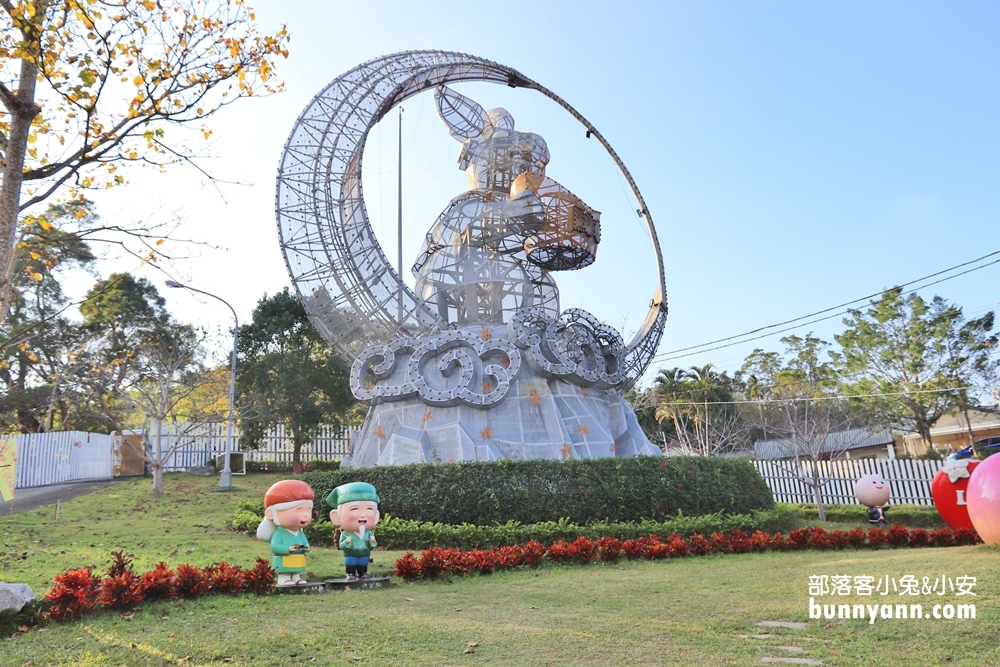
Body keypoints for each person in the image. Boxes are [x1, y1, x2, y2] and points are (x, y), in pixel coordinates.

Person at [256, 480, 314, 586]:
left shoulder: (300, 532)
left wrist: (306, 548)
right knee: (285, 569)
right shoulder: (280, 532)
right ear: (271, 514)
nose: (305, 515)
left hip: (298, 557)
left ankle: (296, 577)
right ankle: (284, 578)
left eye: (308, 510)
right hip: (284, 559)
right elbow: (274, 547)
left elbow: (305, 543)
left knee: (297, 568)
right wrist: (287, 549)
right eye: (299, 510)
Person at [326, 482, 380, 580]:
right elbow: (341, 545)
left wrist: (372, 542)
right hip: (350, 554)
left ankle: (363, 573)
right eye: (355, 509)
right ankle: (350, 573)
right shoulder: (346, 533)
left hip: (364, 553)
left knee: (363, 563)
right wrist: (346, 543)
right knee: (351, 563)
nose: (363, 515)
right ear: (336, 516)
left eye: (369, 509)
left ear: (376, 516)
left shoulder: (369, 533)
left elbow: (373, 546)